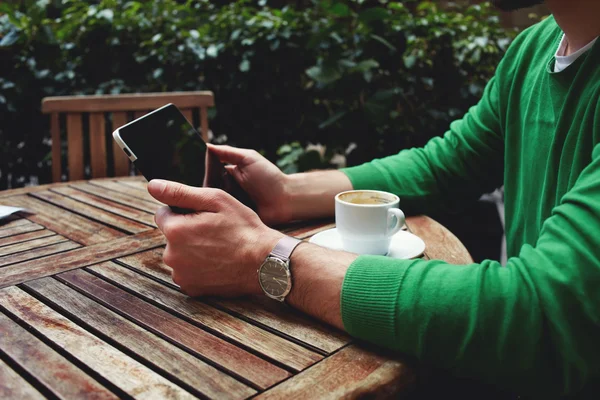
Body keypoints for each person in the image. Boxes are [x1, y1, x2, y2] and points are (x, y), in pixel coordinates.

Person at [147, 0, 600, 396]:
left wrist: (262, 258)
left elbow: (542, 317)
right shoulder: (534, 48)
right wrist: (286, 193)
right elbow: (444, 166)